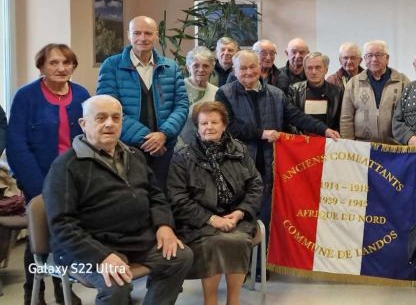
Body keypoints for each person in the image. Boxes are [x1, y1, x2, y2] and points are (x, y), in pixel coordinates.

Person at [43, 95, 193, 305]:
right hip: (87, 248)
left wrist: (164, 225)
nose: (109, 124)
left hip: (135, 240)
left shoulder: (134, 155)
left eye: (116, 118)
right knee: (116, 283)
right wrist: (101, 256)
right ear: (83, 124)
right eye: (101, 118)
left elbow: (156, 196)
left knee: (180, 257)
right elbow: (62, 225)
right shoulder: (66, 166)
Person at [215, 50, 339, 234]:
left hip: (268, 165)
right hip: (237, 166)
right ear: (234, 70)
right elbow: (228, 127)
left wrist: (324, 130)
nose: (249, 72)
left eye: (252, 66)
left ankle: (263, 261)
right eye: (243, 68)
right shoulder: (223, 94)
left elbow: (296, 116)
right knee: (239, 220)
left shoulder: (276, 94)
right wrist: (261, 133)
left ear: (260, 67)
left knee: (266, 218)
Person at [6, 43, 90, 305]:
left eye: (67, 63)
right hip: (38, 178)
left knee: (68, 232)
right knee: (39, 235)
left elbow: (88, 137)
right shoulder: (26, 96)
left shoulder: (81, 94)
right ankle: (35, 291)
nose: (61, 68)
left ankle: (62, 287)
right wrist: (38, 186)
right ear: (41, 66)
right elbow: (16, 144)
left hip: (74, 177)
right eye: (53, 63)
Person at [167, 101, 262, 305]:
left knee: (237, 240)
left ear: (224, 125)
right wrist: (211, 219)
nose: (209, 127)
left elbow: (255, 185)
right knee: (214, 242)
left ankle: (233, 301)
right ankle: (210, 301)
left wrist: (240, 212)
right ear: (197, 127)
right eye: (203, 123)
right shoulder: (183, 157)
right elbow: (177, 198)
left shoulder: (240, 150)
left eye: (214, 122)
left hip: (237, 217)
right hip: (199, 222)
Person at [97, 15, 189, 189]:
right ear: (129, 35)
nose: (142, 38)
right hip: (127, 149)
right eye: (137, 33)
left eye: (148, 33)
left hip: (164, 149)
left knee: (163, 198)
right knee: (133, 199)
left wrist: (163, 135)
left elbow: (182, 105)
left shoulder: (171, 67)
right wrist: (147, 140)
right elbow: (109, 109)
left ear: (156, 36)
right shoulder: (111, 66)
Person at [340, 40, 410, 143]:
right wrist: (348, 145)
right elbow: (346, 118)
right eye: (369, 55)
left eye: (379, 55)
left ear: (387, 58)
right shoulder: (354, 83)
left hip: (396, 147)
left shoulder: (402, 82)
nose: (374, 59)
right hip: (363, 147)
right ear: (364, 59)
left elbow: (410, 116)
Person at [289, 52, 342, 131]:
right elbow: (290, 119)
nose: (313, 72)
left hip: (328, 141)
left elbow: (340, 122)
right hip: (301, 140)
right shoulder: (294, 90)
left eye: (318, 67)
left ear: (326, 70)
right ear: (305, 70)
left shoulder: (337, 92)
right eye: (309, 68)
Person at [178, 47, 219, 147]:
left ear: (212, 68)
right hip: (180, 148)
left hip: (209, 148)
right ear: (188, 67)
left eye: (205, 66)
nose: (201, 70)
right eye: (196, 65)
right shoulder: (178, 88)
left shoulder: (217, 92)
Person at [225, 39, 290, 90]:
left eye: (272, 53)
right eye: (263, 53)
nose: (268, 58)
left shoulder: (281, 77)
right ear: (254, 54)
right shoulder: (236, 75)